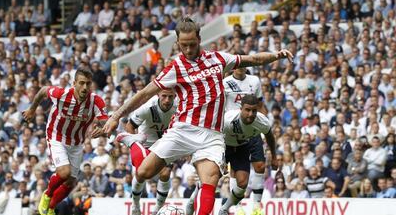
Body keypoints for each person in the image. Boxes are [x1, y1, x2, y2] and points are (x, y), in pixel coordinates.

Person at [102, 17, 293, 215]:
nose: (188, 49)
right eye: (183, 45)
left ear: (199, 39)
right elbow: (144, 94)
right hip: (182, 129)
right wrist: (116, 116)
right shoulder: (176, 67)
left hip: (212, 135)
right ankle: (131, 141)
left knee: (209, 180)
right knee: (143, 172)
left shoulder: (218, 59)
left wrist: (276, 55)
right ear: (177, 43)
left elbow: (252, 60)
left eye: (192, 44)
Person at [22, 66, 108, 215]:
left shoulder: (95, 101)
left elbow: (105, 121)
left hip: (76, 142)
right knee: (64, 172)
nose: (84, 87)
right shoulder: (61, 94)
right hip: (56, 136)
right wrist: (32, 109)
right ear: (74, 83)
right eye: (81, 83)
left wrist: (104, 129)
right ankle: (47, 195)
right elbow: (43, 90)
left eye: (88, 83)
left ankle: (50, 208)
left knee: (70, 182)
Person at [116, 89, 176, 214]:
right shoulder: (148, 107)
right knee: (141, 174)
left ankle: (158, 208)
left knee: (165, 173)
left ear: (175, 96)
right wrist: (136, 143)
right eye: (164, 96)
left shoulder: (179, 107)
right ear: (158, 95)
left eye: (170, 97)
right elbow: (130, 126)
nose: (167, 100)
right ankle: (135, 205)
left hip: (165, 144)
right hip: (146, 143)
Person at [216, 95, 275, 215]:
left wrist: (274, 156)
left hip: (242, 146)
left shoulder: (262, 121)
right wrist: (221, 158)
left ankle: (224, 209)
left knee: (242, 184)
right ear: (241, 109)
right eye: (247, 110)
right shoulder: (228, 120)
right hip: (224, 145)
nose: (250, 114)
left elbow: (270, 137)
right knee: (211, 177)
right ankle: (194, 202)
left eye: (254, 110)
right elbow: (216, 136)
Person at [223, 65, 268, 208]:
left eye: (243, 65)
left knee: (260, 165)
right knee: (235, 170)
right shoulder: (226, 82)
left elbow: (260, 104)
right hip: (232, 127)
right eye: (237, 65)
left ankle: (256, 207)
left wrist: (264, 125)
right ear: (232, 67)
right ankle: (237, 207)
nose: (240, 68)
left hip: (252, 126)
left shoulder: (254, 81)